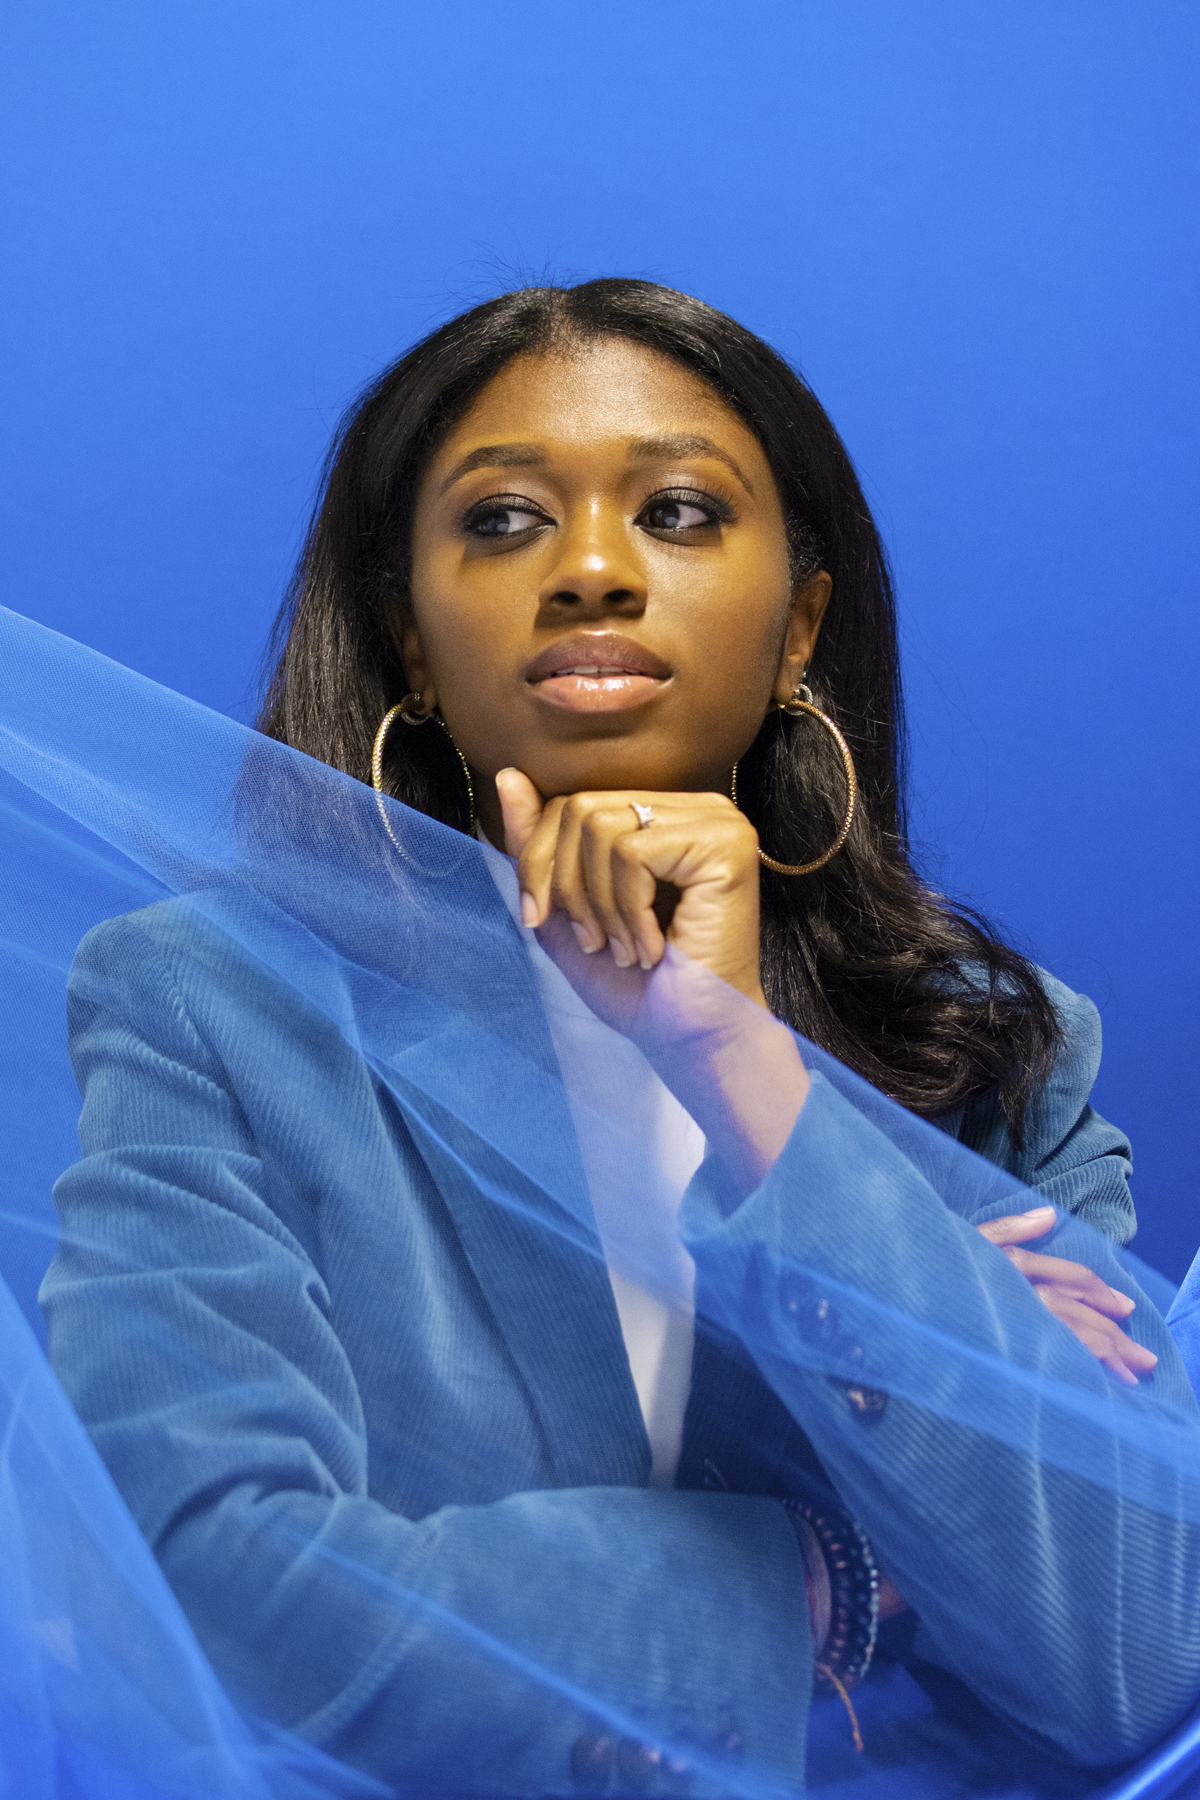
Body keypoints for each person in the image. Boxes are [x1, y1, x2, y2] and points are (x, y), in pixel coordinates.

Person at [40, 280, 1200, 1797]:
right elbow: (196, 1586)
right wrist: (826, 1577)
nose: (591, 570)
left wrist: (739, 1067)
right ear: (408, 633)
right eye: (508, 520)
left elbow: (1139, 1653)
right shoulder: (210, 1004)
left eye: (677, 510)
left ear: (801, 627)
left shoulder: (1006, 1056)